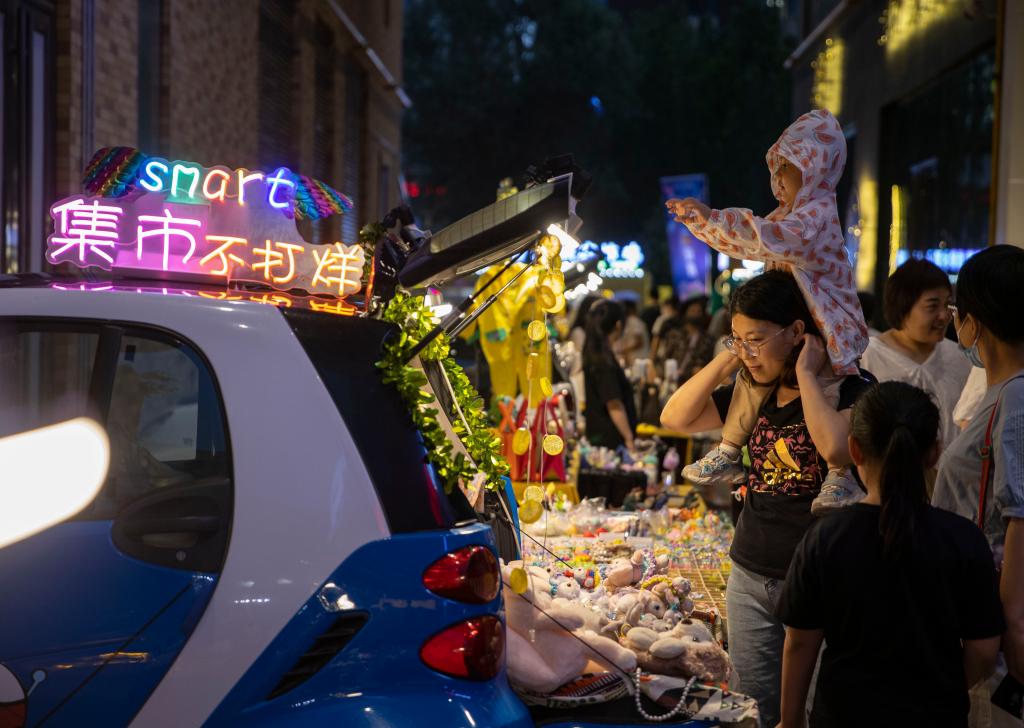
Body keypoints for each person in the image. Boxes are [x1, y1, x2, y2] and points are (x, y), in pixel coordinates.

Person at [660, 270, 873, 727]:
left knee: (815, 713)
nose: (748, 352)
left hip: (822, 581)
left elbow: (836, 448)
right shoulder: (752, 392)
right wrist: (729, 359)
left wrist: (807, 375)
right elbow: (675, 417)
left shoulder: (853, 388)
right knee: (753, 709)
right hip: (751, 573)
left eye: (756, 339)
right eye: (738, 339)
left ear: (797, 332)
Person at [668, 109, 869, 514]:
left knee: (828, 391)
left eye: (788, 167)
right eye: (776, 168)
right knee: (749, 384)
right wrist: (739, 350)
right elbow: (674, 417)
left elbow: (761, 237)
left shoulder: (814, 219)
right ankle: (729, 449)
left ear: (813, 168)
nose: (778, 178)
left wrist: (710, 220)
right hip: (798, 339)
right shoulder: (789, 217)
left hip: (828, 336)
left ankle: (839, 475)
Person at [776, 381, 1003, 728]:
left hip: (843, 714)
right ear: (935, 452)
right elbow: (984, 651)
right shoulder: (965, 540)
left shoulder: (826, 537)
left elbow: (800, 643)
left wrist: (789, 721)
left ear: (854, 449)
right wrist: (943, 689)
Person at [932, 245, 1024, 727]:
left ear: (972, 322)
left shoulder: (1016, 396)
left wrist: (1010, 632)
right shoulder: (1002, 391)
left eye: (954, 310)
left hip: (998, 639)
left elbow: (1020, 518)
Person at [860, 258, 971, 448]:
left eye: (947, 305)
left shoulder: (960, 357)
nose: (944, 316)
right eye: (932, 306)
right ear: (902, 308)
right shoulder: (868, 357)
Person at [582, 299, 636, 450]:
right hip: (610, 440)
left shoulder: (592, 352)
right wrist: (629, 438)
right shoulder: (603, 360)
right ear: (618, 325)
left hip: (598, 434)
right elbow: (613, 404)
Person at [653, 296, 716, 382]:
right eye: (692, 311)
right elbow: (662, 358)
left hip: (694, 381)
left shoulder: (708, 339)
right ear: (685, 313)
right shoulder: (674, 335)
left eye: (699, 311)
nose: (696, 314)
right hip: (670, 379)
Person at [616, 298, 650, 367]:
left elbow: (639, 342)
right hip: (635, 360)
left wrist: (623, 350)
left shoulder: (634, 321)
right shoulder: (631, 321)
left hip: (639, 359)